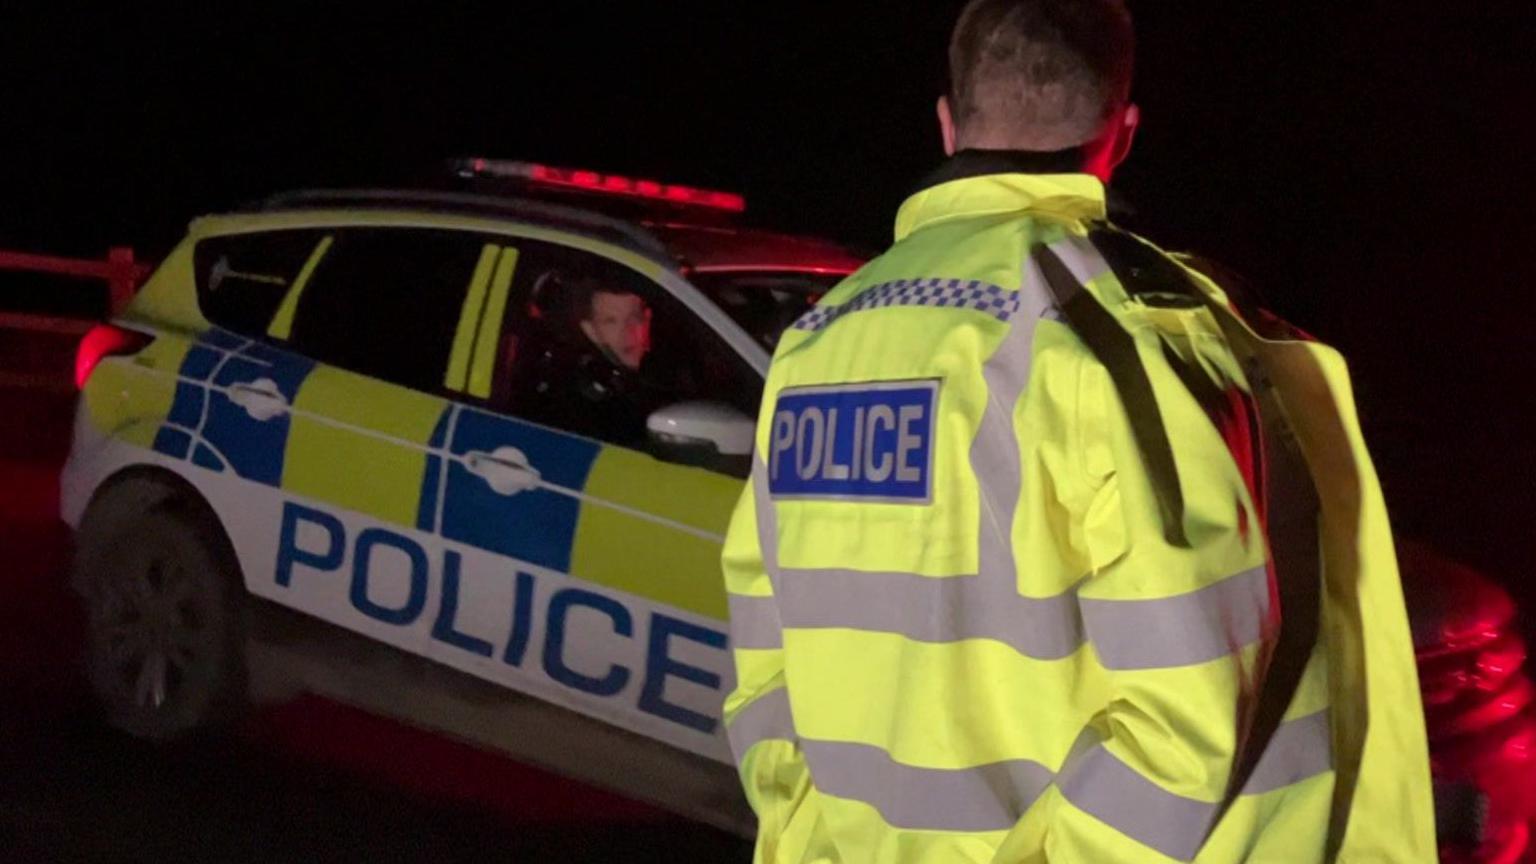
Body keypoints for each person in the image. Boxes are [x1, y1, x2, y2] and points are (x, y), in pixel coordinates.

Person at [719, 1, 1437, 862]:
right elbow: (1189, 708)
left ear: (947, 122)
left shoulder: (815, 340)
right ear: (1121, 133)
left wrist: (808, 845)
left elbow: (762, 665)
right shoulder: (1126, 335)